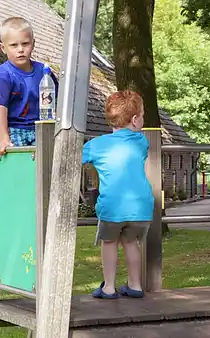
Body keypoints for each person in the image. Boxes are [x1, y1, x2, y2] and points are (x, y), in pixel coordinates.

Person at [82, 90, 153, 299]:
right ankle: (135, 285)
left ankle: (109, 287)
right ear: (134, 119)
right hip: (141, 206)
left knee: (109, 242)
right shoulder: (141, 142)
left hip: (112, 206)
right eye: (142, 115)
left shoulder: (96, 145)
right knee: (131, 243)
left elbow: (75, 158)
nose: (143, 119)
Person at [0, 16, 59, 155]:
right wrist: (4, 139)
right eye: (14, 45)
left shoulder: (44, 73)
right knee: (21, 164)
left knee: (45, 164)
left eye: (25, 44)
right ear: (3, 48)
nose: (20, 49)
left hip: (40, 128)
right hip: (14, 128)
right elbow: (0, 110)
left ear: (33, 44)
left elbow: (57, 103)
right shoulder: (2, 76)